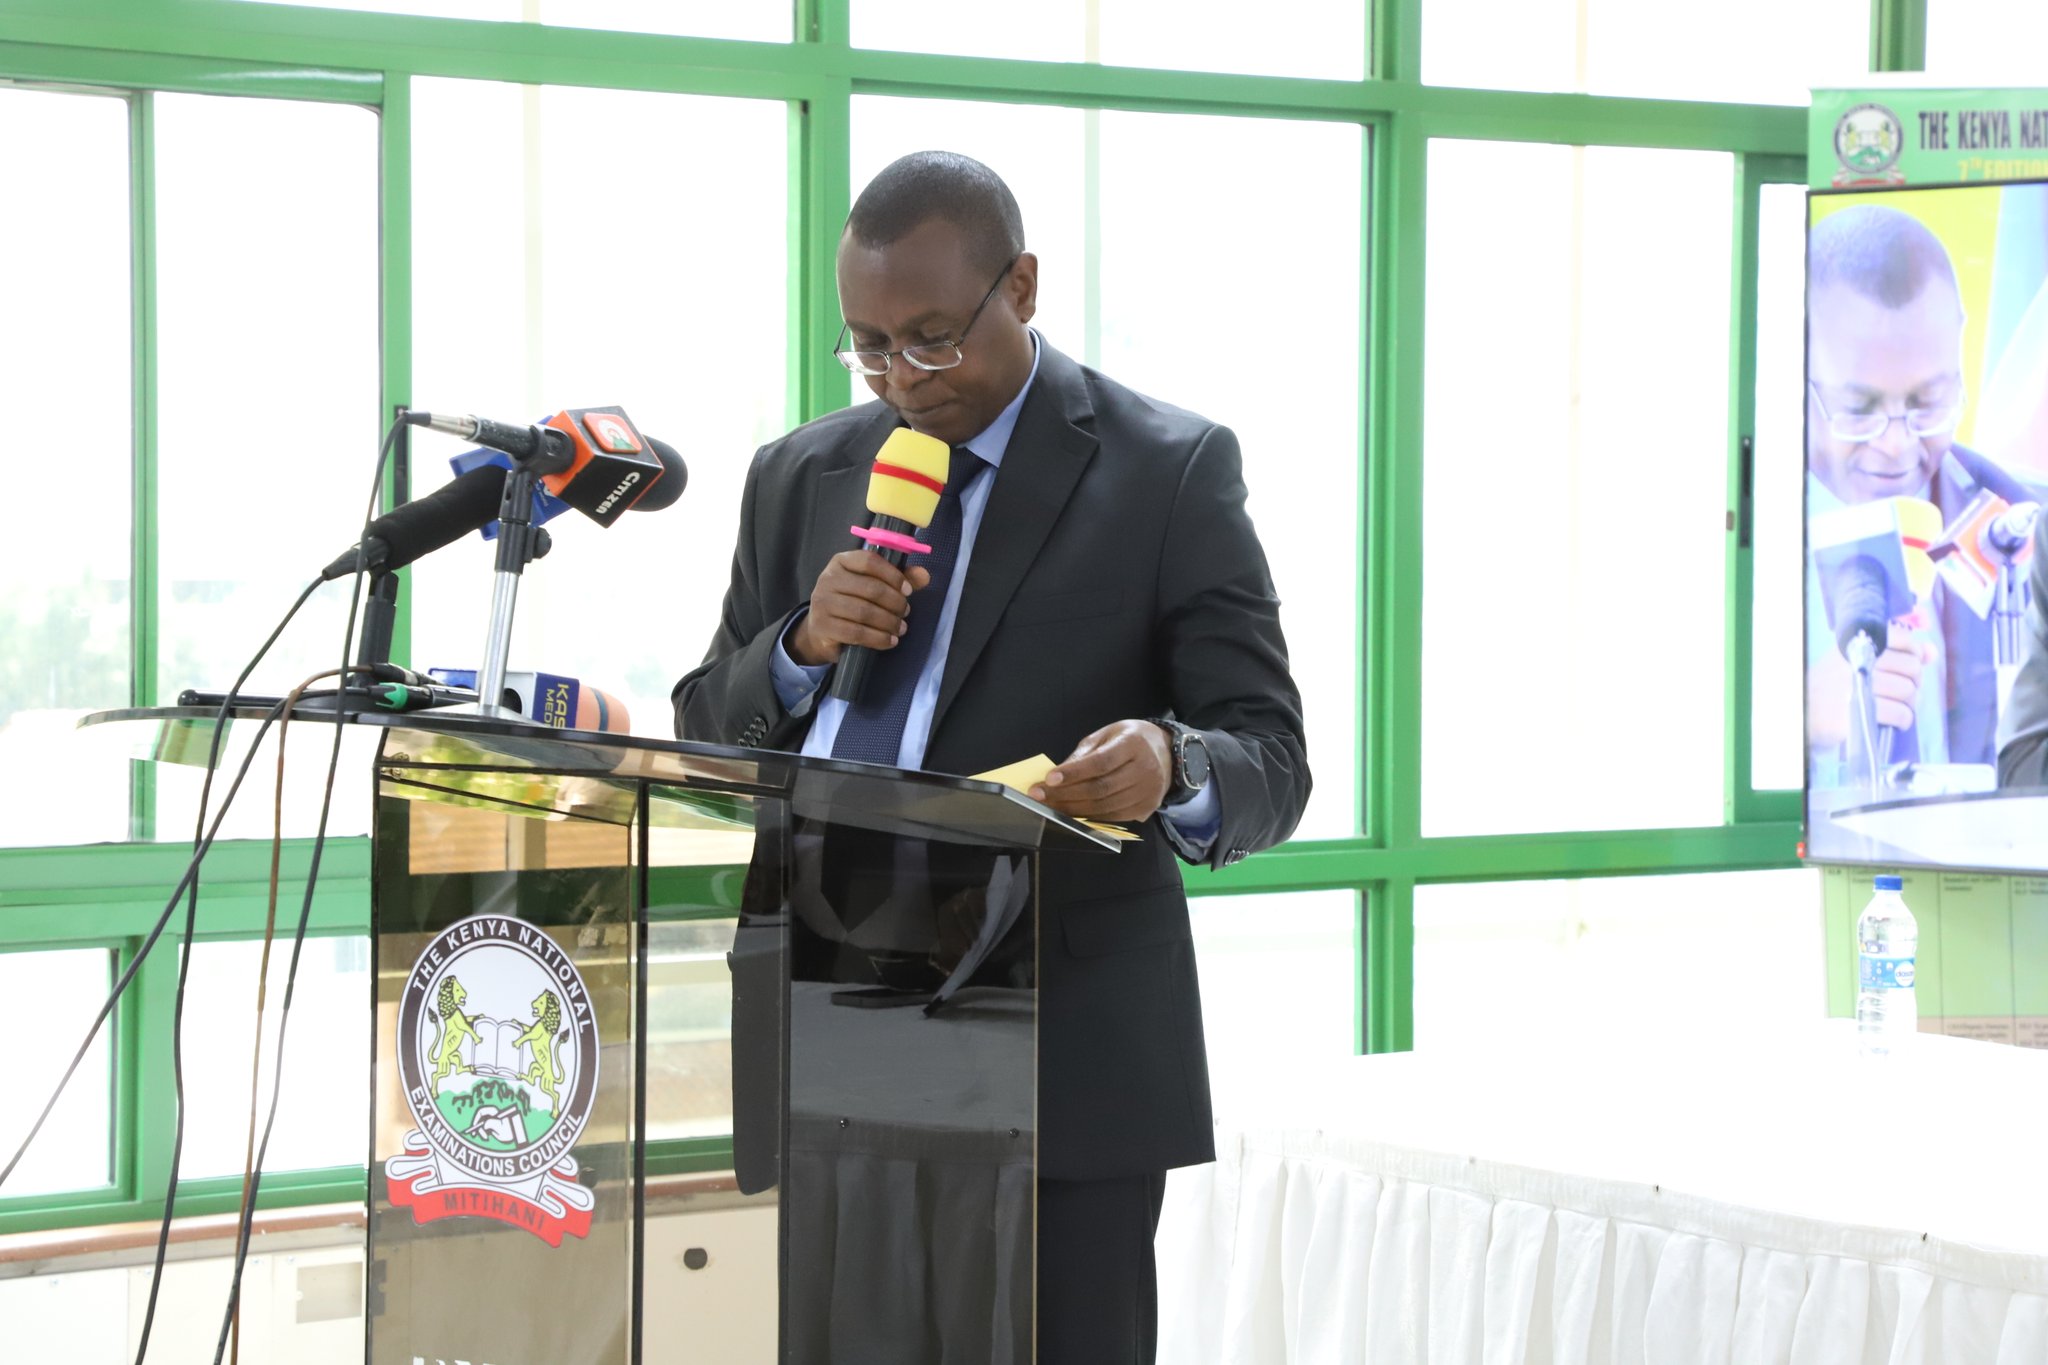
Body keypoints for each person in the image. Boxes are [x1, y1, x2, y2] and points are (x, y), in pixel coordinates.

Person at [672, 150, 1309, 1358]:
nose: (902, 378)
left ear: (1019, 285)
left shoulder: (1165, 470)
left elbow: (1271, 757)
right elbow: (709, 739)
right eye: (867, 344)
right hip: (832, 1030)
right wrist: (801, 645)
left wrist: (1173, 762)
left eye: (929, 337)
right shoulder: (799, 473)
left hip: (1055, 1059)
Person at [1806, 203, 2038, 782]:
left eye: (1928, 402)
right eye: (1858, 411)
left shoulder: (2020, 519)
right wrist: (1804, 717)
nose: (1896, 445)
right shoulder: (1752, 551)